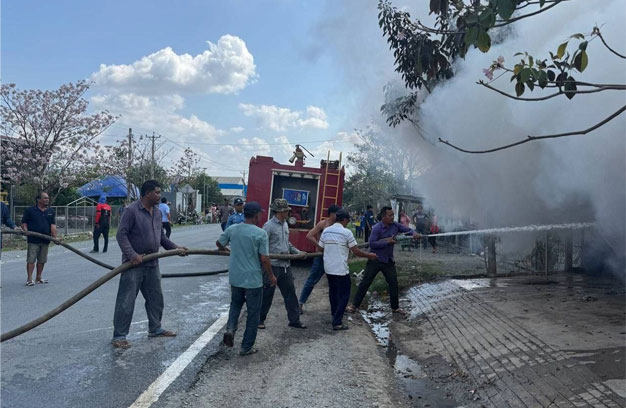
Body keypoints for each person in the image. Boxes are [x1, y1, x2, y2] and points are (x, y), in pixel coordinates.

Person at [111, 180, 188, 349]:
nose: (160, 196)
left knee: (156, 299)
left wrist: (176, 249)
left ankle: (155, 328)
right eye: (157, 192)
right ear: (147, 194)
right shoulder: (131, 211)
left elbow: (161, 237)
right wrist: (132, 255)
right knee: (126, 301)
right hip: (134, 265)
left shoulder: (157, 213)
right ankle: (119, 336)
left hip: (152, 263)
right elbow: (121, 235)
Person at [217, 201, 277, 356]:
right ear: (257, 216)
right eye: (260, 214)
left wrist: (225, 249)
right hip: (253, 280)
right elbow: (264, 259)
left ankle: (230, 329)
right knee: (253, 313)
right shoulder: (260, 233)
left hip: (236, 277)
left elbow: (219, 243)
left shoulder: (233, 229)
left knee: (235, 305)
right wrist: (271, 276)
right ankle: (246, 347)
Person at [346, 206, 421, 315]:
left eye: (393, 215)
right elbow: (372, 243)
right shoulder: (377, 228)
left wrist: (414, 233)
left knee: (393, 283)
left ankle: (395, 308)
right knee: (366, 282)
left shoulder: (395, 225)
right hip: (375, 259)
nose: (392, 217)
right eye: (390, 215)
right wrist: (387, 242)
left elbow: (407, 230)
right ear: (383, 217)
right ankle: (354, 306)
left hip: (388, 261)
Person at [319, 209, 377, 330]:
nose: (347, 223)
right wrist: (369, 255)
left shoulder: (326, 230)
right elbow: (355, 251)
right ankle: (337, 322)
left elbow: (320, 248)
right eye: (347, 221)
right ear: (344, 220)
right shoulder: (347, 232)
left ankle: (334, 314)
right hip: (340, 268)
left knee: (333, 292)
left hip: (328, 267)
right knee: (344, 294)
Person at [259, 199, 307, 329]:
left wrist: (298, 252)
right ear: (279, 212)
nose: (288, 212)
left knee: (290, 293)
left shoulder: (285, 224)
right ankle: (259, 320)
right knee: (267, 294)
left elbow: (287, 243)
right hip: (273, 265)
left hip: (285, 265)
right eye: (286, 210)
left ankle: (294, 320)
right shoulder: (268, 226)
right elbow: (262, 245)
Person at [298, 204, 340, 313]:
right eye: (337, 213)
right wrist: (320, 246)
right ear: (332, 214)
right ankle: (300, 304)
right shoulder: (323, 224)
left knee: (335, 283)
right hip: (321, 257)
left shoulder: (339, 225)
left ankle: (337, 308)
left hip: (333, 257)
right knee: (312, 280)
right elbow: (309, 235)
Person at [21, 192, 58, 286]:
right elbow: (24, 223)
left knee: (42, 260)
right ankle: (29, 279)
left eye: (48, 198)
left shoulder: (50, 211)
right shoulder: (30, 210)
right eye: (45, 198)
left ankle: (39, 277)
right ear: (39, 199)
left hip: (45, 239)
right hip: (33, 239)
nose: (47, 200)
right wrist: (26, 231)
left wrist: (55, 238)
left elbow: (53, 225)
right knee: (31, 260)